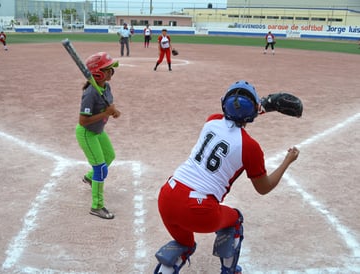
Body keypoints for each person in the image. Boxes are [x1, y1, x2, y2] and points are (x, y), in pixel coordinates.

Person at [153, 80, 300, 274]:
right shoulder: (250, 146)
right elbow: (263, 188)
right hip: (199, 209)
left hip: (167, 197)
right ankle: (229, 270)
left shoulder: (212, 120)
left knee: (185, 243)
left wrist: (257, 107)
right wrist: (287, 161)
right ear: (253, 110)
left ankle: (165, 269)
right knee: (235, 220)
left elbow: (233, 116)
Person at [75, 52, 121, 220]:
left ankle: (89, 178)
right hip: (87, 133)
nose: (111, 72)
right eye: (108, 69)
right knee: (100, 168)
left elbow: (108, 104)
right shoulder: (90, 93)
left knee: (110, 155)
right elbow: (83, 121)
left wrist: (112, 111)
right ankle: (97, 206)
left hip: (98, 131)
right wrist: (106, 112)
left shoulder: (105, 87)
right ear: (98, 73)